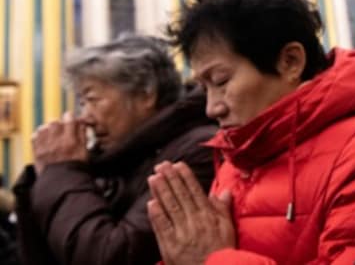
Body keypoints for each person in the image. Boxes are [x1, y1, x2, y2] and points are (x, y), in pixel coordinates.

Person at [146, 0, 355, 264]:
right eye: (204, 88)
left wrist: (211, 259)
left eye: (220, 81)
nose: (211, 107)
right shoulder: (241, 155)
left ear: (290, 62)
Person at [13, 34, 216, 265]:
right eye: (82, 103)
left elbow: (112, 256)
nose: (85, 117)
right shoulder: (118, 159)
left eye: (93, 99)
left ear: (145, 94)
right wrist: (46, 179)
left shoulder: (196, 151)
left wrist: (62, 172)